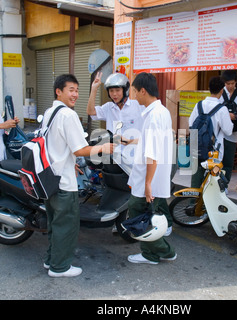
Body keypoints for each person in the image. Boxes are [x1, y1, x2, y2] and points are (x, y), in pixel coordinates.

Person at [43, 74, 115, 277]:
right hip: (64, 183)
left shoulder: (50, 112)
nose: (75, 94)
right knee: (66, 225)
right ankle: (60, 267)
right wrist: (103, 148)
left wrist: (70, 162)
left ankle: (51, 261)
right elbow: (80, 149)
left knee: (55, 224)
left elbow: (55, 146)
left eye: (76, 90)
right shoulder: (67, 114)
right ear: (59, 91)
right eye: (71, 90)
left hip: (50, 179)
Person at [125, 72, 176, 265]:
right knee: (145, 215)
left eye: (135, 92)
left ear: (143, 91)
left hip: (147, 177)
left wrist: (147, 184)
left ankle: (163, 251)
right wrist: (132, 141)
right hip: (150, 176)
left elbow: (152, 153)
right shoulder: (160, 111)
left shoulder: (154, 116)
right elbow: (152, 141)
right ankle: (152, 254)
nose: (134, 96)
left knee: (138, 213)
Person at [188, 77, 234, 188]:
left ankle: (192, 203)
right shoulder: (222, 109)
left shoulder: (199, 105)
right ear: (222, 90)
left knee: (195, 179)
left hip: (197, 148)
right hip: (213, 152)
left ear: (209, 89)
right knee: (211, 181)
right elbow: (228, 131)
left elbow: (191, 125)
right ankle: (206, 205)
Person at [87, 72, 145, 140]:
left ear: (125, 90)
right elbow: (90, 111)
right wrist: (94, 89)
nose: (114, 94)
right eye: (111, 91)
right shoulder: (108, 107)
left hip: (133, 149)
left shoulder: (138, 106)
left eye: (117, 90)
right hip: (114, 149)